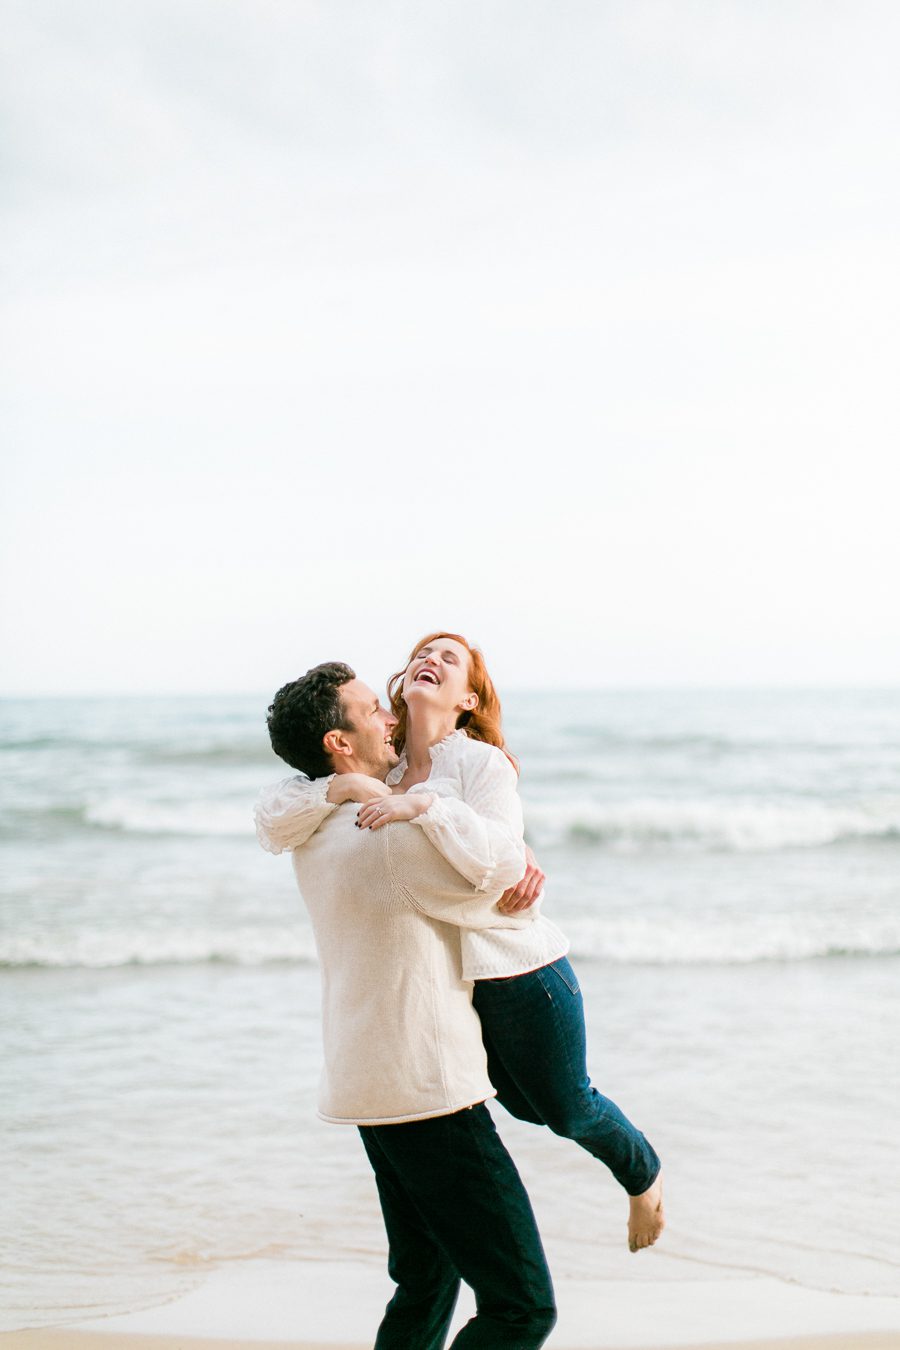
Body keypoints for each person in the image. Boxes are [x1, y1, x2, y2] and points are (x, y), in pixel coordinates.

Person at [257, 633, 664, 1255]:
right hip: (461, 984)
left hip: (522, 967)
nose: (431, 660)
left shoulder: (480, 764)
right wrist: (342, 789)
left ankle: (644, 1177)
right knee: (525, 1111)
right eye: (424, 652)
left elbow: (498, 861)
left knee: (567, 1109)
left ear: (468, 697)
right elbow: (277, 809)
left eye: (450, 660)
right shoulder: (384, 766)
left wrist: (428, 809)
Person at [256, 662, 556, 1350]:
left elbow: (271, 811)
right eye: (371, 710)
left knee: (426, 1277)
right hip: (429, 1091)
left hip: (367, 1083)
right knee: (521, 1306)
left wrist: (354, 787)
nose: (390, 715)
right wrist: (505, 845)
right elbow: (508, 886)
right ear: (340, 741)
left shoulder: (317, 822)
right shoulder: (392, 839)